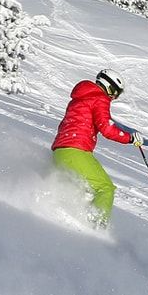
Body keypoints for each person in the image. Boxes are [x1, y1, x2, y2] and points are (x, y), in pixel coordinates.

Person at [51, 70, 140, 226]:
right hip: (76, 151)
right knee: (105, 188)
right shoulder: (99, 98)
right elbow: (106, 128)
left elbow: (64, 126)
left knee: (81, 190)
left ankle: (69, 221)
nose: (113, 98)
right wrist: (130, 138)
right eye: (114, 93)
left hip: (60, 152)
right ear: (107, 87)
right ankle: (95, 227)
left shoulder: (79, 99)